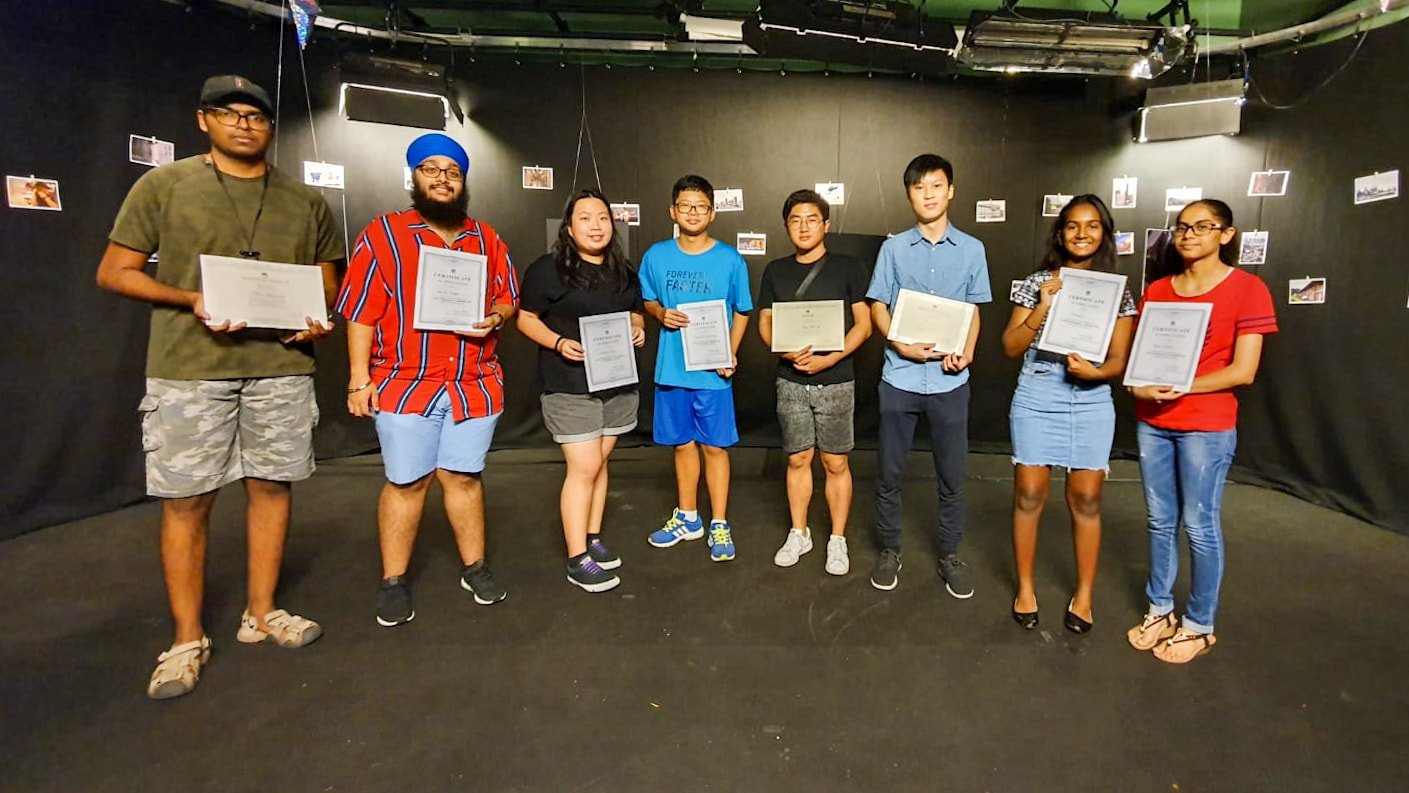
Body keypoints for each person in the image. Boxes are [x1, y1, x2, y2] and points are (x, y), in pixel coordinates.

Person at [95, 75, 341, 700]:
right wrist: (190, 299)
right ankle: (185, 639)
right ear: (203, 120)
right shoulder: (164, 185)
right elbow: (115, 271)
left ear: (269, 126)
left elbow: (326, 283)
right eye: (227, 113)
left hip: (279, 368)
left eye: (255, 116)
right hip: (188, 369)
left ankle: (262, 611)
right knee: (187, 500)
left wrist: (315, 319)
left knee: (273, 487)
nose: (243, 124)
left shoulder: (303, 201)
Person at [336, 133, 519, 627]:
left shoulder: (487, 238)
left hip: (472, 382)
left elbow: (508, 297)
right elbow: (360, 311)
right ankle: (394, 579)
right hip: (405, 381)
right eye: (430, 169)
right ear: (413, 176)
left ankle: (474, 567)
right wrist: (358, 379)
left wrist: (496, 318)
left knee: (463, 478)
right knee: (406, 481)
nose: (442, 178)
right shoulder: (383, 234)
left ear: (463, 181)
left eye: (452, 171)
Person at [1125, 199, 1277, 663]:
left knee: (1200, 525)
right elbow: (1137, 365)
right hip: (1155, 423)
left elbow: (1244, 370)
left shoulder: (1248, 289)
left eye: (1202, 227)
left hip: (1206, 427)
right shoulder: (1158, 292)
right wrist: (1140, 385)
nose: (1188, 235)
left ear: (1226, 235)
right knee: (1159, 520)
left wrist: (1184, 385)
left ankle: (1199, 624)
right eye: (1182, 227)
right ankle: (1160, 608)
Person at [1000, 195, 1135, 633]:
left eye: (1092, 226)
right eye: (1073, 226)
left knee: (1087, 499)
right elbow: (1010, 346)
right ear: (1060, 234)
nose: (1082, 233)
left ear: (1104, 234)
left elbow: (1119, 361)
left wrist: (1096, 372)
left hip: (1090, 398)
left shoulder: (1115, 289)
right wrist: (1043, 304)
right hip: (1038, 391)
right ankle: (1025, 587)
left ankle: (1085, 595)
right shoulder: (1037, 281)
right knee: (1029, 493)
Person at [865, 153, 992, 593]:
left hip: (950, 382)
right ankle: (889, 549)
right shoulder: (894, 248)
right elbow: (877, 305)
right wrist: (897, 342)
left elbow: (973, 310)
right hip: (899, 378)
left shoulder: (973, 249)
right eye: (919, 188)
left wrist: (967, 352)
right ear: (909, 195)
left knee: (952, 476)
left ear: (950, 190)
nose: (928, 194)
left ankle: (951, 554)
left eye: (936, 185)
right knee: (889, 472)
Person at [517, 189, 646, 592]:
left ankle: (592, 537)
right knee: (584, 467)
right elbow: (524, 319)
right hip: (569, 384)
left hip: (617, 383)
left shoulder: (623, 269)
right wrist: (557, 342)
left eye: (603, 218)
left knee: (600, 463)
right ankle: (577, 558)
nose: (596, 225)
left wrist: (638, 330)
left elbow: (636, 314)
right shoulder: (547, 270)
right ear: (569, 227)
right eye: (586, 218)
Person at [756, 189, 872, 575]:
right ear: (786, 226)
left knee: (835, 461)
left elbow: (864, 324)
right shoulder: (775, 270)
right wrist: (783, 349)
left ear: (826, 225)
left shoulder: (848, 267)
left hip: (837, 379)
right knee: (797, 458)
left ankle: (837, 539)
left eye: (811, 219)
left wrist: (834, 356)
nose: (803, 226)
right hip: (790, 379)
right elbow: (765, 322)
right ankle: (799, 531)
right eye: (795, 220)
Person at [640, 175, 753, 561]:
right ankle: (688, 517)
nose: (693, 212)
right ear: (673, 211)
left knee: (715, 448)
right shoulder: (656, 256)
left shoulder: (730, 259)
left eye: (701, 206)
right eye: (685, 205)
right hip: (672, 370)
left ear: (713, 213)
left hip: (712, 372)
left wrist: (730, 352)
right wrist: (660, 314)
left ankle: (719, 521)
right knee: (682, 445)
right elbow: (649, 300)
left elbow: (742, 311)